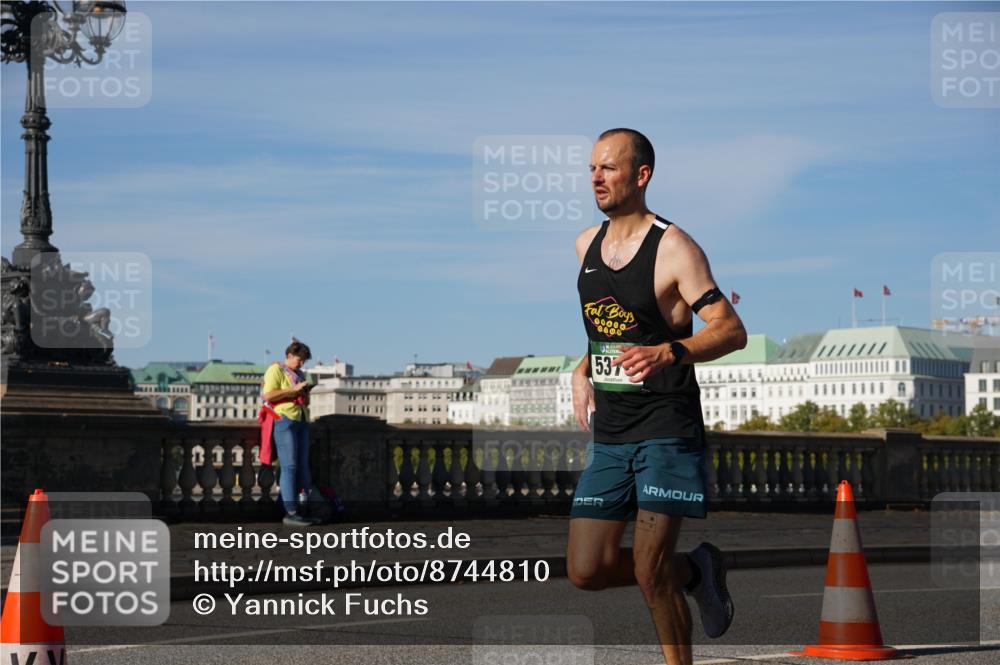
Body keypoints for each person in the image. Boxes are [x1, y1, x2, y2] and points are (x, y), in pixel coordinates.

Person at [567, 128, 748, 665]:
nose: (596, 178)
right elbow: (611, 325)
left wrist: (670, 351)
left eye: (609, 168)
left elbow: (730, 328)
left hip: (667, 429)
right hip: (614, 431)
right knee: (586, 570)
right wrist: (582, 368)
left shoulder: (674, 247)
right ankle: (697, 569)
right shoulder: (585, 245)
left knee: (648, 570)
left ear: (641, 175)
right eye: (592, 168)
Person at [261, 340, 318, 526]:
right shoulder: (276, 369)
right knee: (289, 466)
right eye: (299, 359)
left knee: (302, 466)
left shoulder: (299, 374)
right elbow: (268, 395)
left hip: (301, 419)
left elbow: (303, 401)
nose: (301, 363)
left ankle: (297, 509)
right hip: (284, 419)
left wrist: (304, 393)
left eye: (304, 361)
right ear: (290, 355)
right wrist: (292, 390)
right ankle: (290, 512)